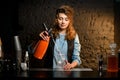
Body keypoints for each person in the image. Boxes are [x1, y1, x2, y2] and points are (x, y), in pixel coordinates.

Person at [33, 5, 82, 70]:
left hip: (66, 73)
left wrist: (71, 65)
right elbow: (33, 51)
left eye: (66, 19)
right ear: (56, 19)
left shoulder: (74, 36)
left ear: (70, 21)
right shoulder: (49, 34)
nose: (63, 22)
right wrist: (39, 40)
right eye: (60, 19)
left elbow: (77, 58)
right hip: (50, 73)